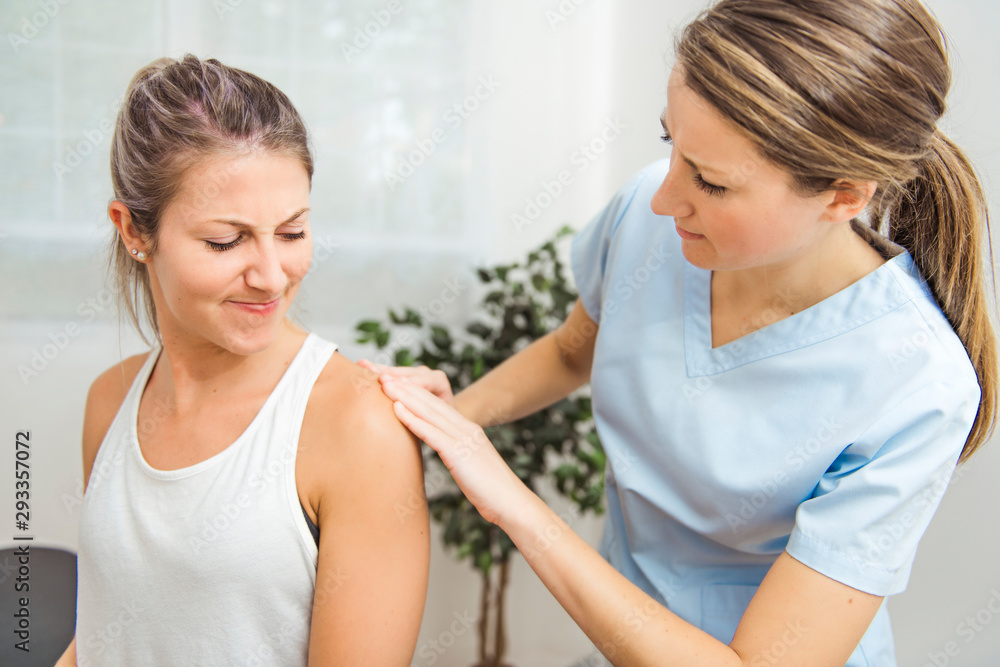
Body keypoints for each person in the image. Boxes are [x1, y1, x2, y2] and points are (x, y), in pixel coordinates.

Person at [360, 0, 996, 664]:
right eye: (672, 145)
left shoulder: (917, 382)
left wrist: (512, 505)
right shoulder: (649, 215)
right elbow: (575, 351)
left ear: (842, 196)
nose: (665, 199)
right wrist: (447, 424)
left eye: (713, 183)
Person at [55, 55, 429, 666]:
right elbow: (110, 634)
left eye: (292, 233)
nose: (271, 276)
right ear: (133, 231)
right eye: (225, 241)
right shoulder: (111, 401)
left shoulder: (357, 427)